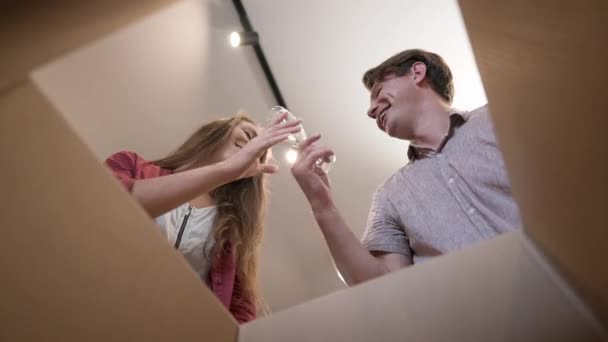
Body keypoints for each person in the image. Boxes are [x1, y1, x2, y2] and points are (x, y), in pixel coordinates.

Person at [290, 49, 522, 286]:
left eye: (378, 92)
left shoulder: (499, 118)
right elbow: (381, 287)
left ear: (417, 72)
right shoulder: (389, 196)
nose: (370, 111)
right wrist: (322, 206)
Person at [105, 113, 301, 323]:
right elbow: (106, 205)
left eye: (260, 152)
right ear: (217, 132)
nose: (253, 147)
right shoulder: (131, 165)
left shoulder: (232, 234)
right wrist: (225, 170)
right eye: (248, 134)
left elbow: (240, 320)